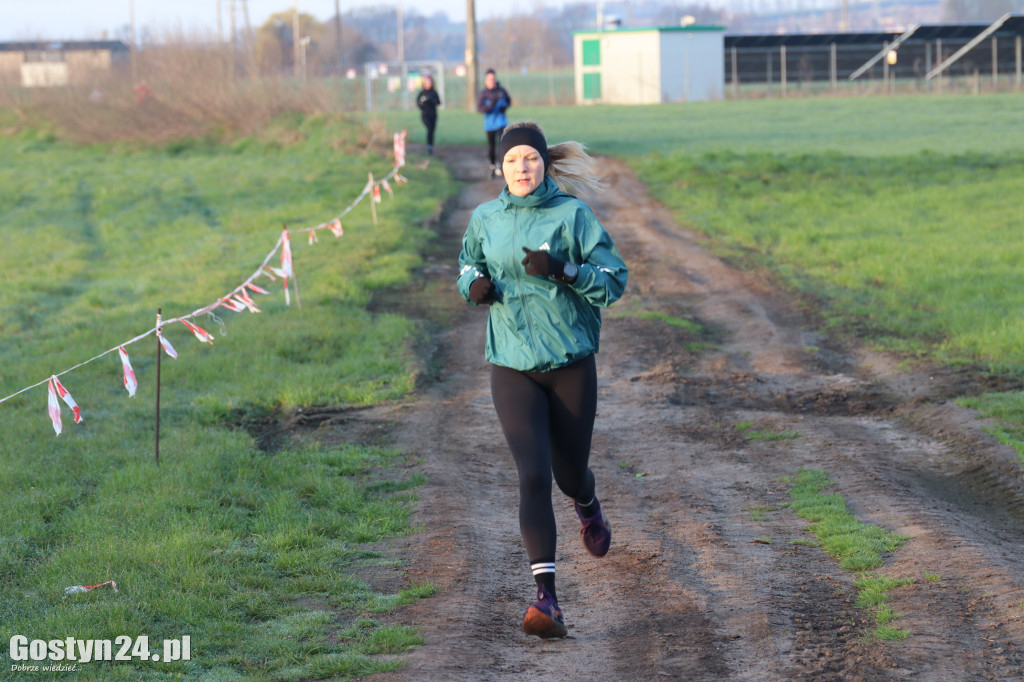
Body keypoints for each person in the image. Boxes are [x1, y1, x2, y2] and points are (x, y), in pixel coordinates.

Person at [456, 121, 629, 639]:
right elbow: (465, 265)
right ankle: (546, 600)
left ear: (544, 163)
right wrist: (474, 286)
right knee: (532, 475)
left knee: (568, 476)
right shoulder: (485, 218)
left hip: (570, 364)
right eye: (512, 160)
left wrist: (564, 270)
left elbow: (614, 282)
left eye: (530, 158)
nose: (522, 168)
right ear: (500, 167)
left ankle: (587, 503)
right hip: (512, 366)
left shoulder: (573, 215)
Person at [476, 69, 511, 178]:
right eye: (490, 79)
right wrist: (490, 106)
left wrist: (504, 106)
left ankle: (501, 166)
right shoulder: (483, 94)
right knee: (491, 146)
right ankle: (492, 166)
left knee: (502, 144)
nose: (492, 81)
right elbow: (479, 109)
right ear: (486, 80)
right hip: (489, 124)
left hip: (501, 123)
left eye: (493, 78)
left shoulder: (501, 91)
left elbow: (508, 101)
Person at [415, 74, 441, 156]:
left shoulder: (434, 92)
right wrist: (422, 106)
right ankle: (429, 148)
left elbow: (438, 102)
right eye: (427, 82)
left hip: (433, 115)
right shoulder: (422, 93)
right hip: (425, 115)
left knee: (432, 131)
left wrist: (432, 101)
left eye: (429, 82)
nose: (428, 84)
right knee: (429, 129)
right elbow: (418, 102)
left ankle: (430, 147)